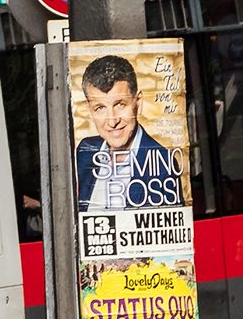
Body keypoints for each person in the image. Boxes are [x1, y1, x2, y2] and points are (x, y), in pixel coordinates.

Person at [75, 54, 182, 211]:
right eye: (100, 108)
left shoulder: (162, 163)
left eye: (120, 104)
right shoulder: (86, 150)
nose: (112, 121)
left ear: (138, 103)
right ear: (89, 110)